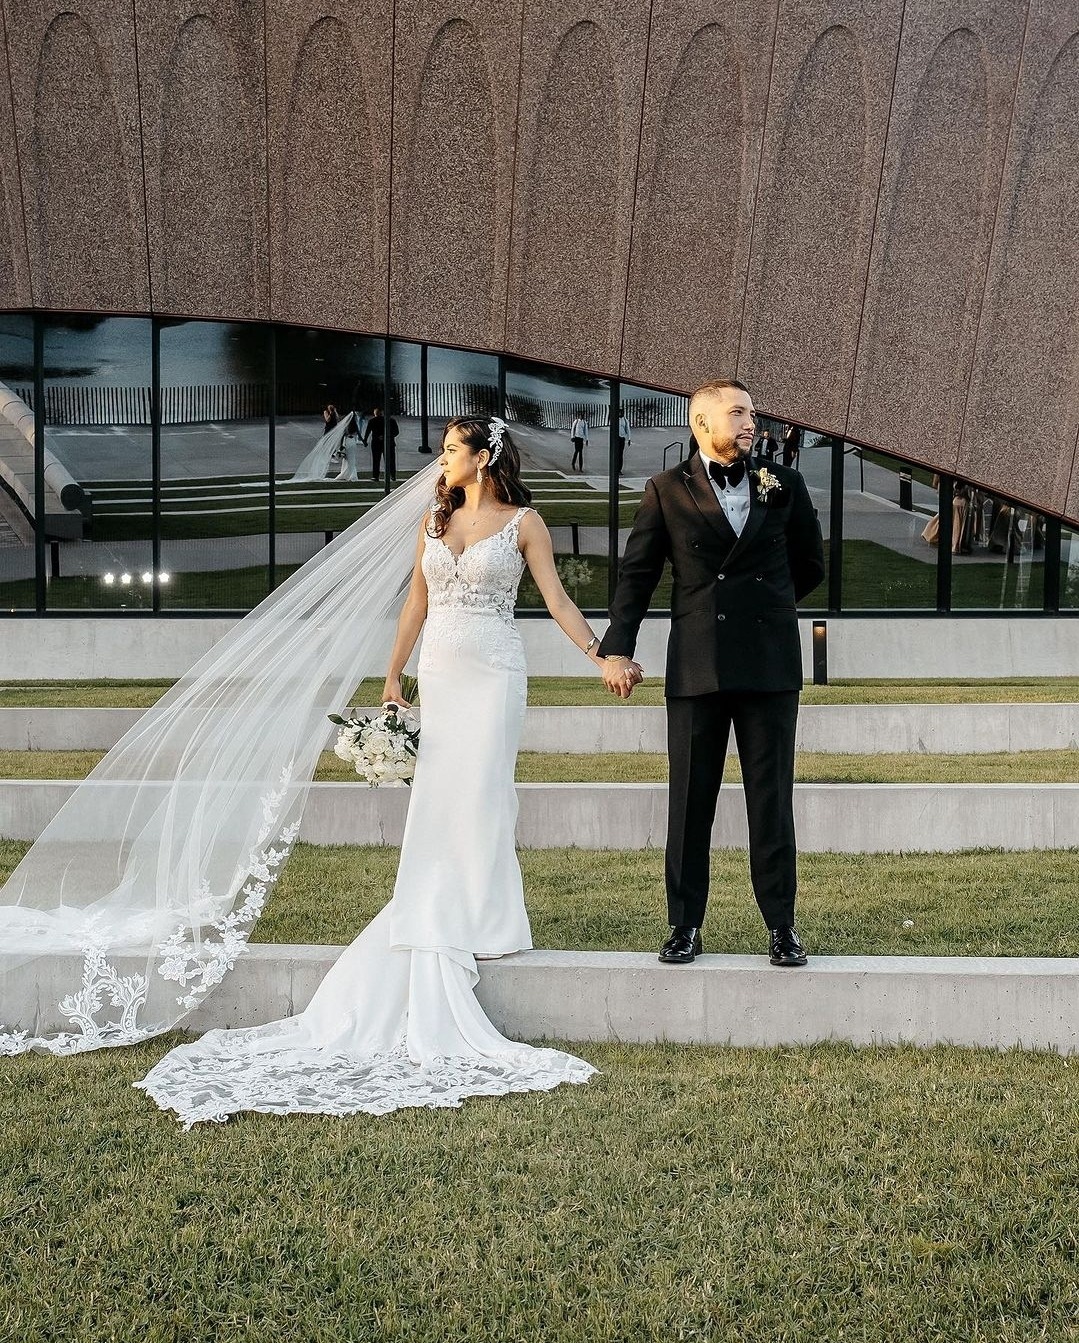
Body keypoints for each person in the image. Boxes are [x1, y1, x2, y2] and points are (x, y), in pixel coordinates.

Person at [131, 417, 603, 1125]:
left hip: (496, 672)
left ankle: (487, 915)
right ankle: (442, 905)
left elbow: (557, 599)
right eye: (441, 449)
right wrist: (391, 679)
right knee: (443, 794)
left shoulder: (525, 523)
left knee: (483, 792)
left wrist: (599, 655)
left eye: (450, 450)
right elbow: (416, 600)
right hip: (441, 670)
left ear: (484, 457)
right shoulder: (434, 518)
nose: (439, 459)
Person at [597, 379, 825, 969]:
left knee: (771, 801)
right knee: (690, 800)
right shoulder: (665, 490)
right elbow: (637, 576)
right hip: (698, 664)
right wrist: (616, 649)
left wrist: (764, 610)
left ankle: (782, 927)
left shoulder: (785, 483)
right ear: (702, 423)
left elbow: (809, 565)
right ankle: (684, 925)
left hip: (771, 666)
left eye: (751, 411)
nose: (751, 422)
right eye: (739, 412)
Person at [364, 406, 400, 481]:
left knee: (376, 460)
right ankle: (392, 475)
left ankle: (375, 476)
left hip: (376, 443)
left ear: (375, 413)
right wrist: (387, 436)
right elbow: (396, 432)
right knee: (390, 460)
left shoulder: (372, 421)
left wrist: (365, 440)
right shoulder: (391, 421)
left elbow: (367, 432)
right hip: (389, 442)